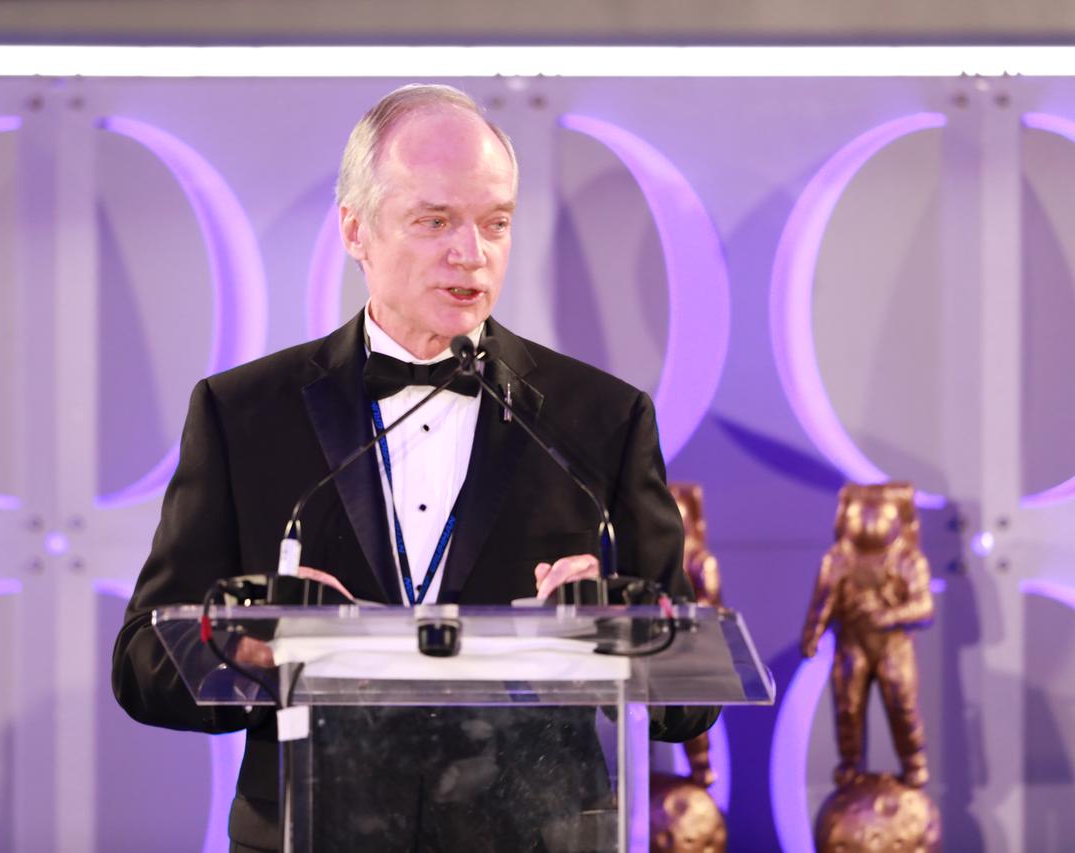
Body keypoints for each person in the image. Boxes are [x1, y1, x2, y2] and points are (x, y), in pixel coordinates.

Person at [113, 83, 716, 851]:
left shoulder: (597, 419)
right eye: (435, 221)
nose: (471, 252)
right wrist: (246, 650)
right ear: (356, 230)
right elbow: (142, 663)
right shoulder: (245, 415)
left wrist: (612, 634)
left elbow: (688, 697)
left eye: (494, 222)